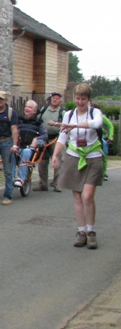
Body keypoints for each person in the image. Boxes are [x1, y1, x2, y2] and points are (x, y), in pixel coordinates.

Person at [52, 83, 104, 249]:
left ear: (89, 99)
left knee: (87, 196)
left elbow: (97, 124)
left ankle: (91, 231)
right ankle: (81, 232)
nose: (80, 102)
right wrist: (55, 155)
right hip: (74, 157)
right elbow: (62, 137)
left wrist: (75, 126)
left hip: (93, 157)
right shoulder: (68, 115)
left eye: (83, 99)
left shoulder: (94, 112)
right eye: (77, 98)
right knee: (77, 196)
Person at [13, 100, 48, 190]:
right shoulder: (18, 120)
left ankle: (21, 179)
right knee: (11, 152)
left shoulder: (38, 123)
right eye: (26, 107)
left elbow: (45, 135)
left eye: (30, 107)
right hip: (19, 146)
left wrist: (36, 139)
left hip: (31, 149)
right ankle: (12, 177)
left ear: (35, 111)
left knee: (26, 151)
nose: (27, 108)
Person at [37, 92, 66, 192]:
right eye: (53, 98)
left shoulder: (62, 112)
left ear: (61, 100)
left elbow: (67, 125)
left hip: (57, 139)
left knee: (58, 161)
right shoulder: (44, 110)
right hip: (44, 139)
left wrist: (56, 124)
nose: (55, 100)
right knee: (42, 161)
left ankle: (57, 184)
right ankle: (43, 185)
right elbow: (38, 121)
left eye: (57, 98)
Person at [91, 103, 114, 181]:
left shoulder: (102, 117)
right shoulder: (86, 117)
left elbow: (110, 125)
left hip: (101, 138)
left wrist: (110, 136)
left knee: (102, 156)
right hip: (90, 139)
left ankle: (103, 173)